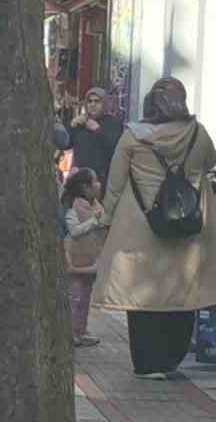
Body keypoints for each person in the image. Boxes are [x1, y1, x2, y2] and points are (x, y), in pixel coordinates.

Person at [93, 77, 216, 379]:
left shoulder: (133, 136)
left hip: (141, 226)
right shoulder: (197, 133)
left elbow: (116, 182)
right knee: (184, 291)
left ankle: (148, 363)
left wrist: (106, 219)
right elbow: (209, 162)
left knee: (142, 297)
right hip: (188, 226)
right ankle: (171, 358)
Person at [63, 168, 107, 348]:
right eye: (95, 181)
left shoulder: (98, 206)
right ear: (85, 187)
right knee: (75, 298)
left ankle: (81, 330)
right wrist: (94, 222)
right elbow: (74, 231)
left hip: (91, 261)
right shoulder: (73, 208)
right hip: (74, 261)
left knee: (85, 298)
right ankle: (70, 332)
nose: (99, 184)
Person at [68, 86, 125, 185]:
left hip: (102, 180)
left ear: (104, 104)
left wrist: (98, 130)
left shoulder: (113, 123)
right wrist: (72, 126)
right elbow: (66, 144)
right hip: (80, 179)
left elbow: (115, 148)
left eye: (97, 101)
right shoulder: (81, 122)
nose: (92, 104)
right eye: (89, 101)